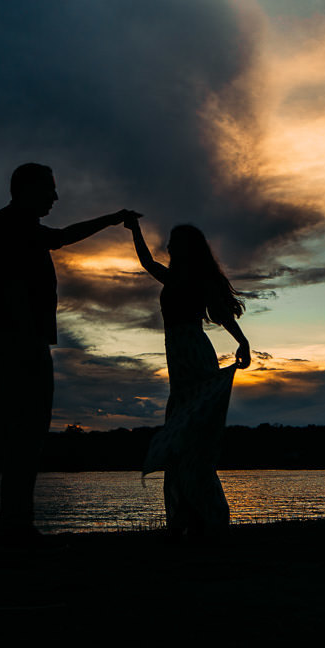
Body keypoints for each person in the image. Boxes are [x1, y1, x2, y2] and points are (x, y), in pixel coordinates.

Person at [0, 162, 137, 544]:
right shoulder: (12, 224)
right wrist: (111, 220)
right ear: (28, 189)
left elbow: (59, 238)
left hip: (19, 336)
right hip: (19, 337)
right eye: (49, 189)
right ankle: (5, 520)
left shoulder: (16, 224)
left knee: (8, 429)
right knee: (17, 430)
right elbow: (60, 239)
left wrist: (110, 219)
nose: (56, 197)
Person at [125, 216, 251, 540]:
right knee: (183, 435)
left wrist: (243, 342)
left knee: (189, 435)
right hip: (179, 360)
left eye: (172, 242)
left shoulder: (196, 280)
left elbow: (222, 315)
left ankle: (202, 516)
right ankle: (190, 516)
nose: (167, 246)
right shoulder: (174, 278)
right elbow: (146, 262)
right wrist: (134, 229)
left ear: (184, 248)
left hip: (193, 354)